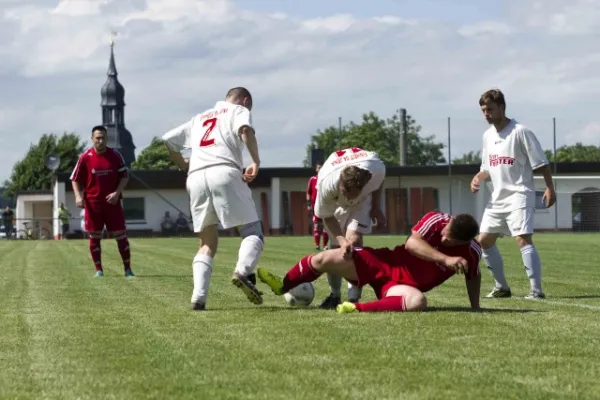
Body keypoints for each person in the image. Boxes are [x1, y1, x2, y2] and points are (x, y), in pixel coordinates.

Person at [162, 87, 264, 311]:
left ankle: (198, 298)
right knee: (252, 231)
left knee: (207, 242)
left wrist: (183, 165)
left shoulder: (200, 118)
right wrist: (255, 161)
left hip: (196, 178)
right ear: (245, 101)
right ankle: (243, 272)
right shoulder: (237, 110)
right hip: (224, 171)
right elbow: (245, 130)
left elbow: (168, 140)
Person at [257, 211, 482, 313]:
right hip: (382, 262)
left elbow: (474, 275)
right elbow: (412, 244)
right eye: (444, 232)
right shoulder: (436, 220)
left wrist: (475, 308)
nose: (442, 238)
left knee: (417, 302)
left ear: (464, 241)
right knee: (324, 257)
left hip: (399, 287)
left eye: (449, 241)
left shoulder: (471, 251)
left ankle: (354, 308)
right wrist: (446, 257)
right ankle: (282, 285)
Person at [471, 89, 556, 299]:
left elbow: (542, 163)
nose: (486, 114)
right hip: (497, 199)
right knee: (483, 241)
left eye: (489, 109)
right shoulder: (487, 136)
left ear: (501, 107)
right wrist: (478, 178)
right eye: (483, 110)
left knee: (522, 239)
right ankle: (502, 288)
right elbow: (487, 169)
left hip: (520, 194)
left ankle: (536, 291)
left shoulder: (520, 131)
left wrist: (549, 188)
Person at [314, 147, 386, 309]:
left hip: (361, 203)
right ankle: (335, 295)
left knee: (354, 241)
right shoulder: (327, 184)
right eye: (344, 191)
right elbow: (326, 215)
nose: (346, 196)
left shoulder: (376, 169)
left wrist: (376, 206)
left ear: (363, 186)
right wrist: (341, 240)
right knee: (336, 249)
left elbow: (379, 181)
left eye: (350, 193)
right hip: (335, 206)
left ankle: (353, 298)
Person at [70, 125, 134, 278]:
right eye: (97, 138)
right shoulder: (85, 157)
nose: (100, 140)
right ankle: (98, 270)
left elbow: (124, 176)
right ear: (92, 139)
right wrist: (78, 196)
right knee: (95, 235)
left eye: (103, 137)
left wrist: (116, 193)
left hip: (112, 203)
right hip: (93, 204)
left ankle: (128, 270)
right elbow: (75, 179)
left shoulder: (115, 156)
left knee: (120, 234)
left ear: (107, 138)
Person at [306, 162, 329, 250]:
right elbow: (308, 192)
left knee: (326, 226)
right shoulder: (312, 179)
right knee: (317, 225)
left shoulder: (327, 179)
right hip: (315, 206)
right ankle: (317, 245)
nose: (320, 169)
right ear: (316, 169)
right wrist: (308, 203)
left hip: (326, 205)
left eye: (322, 167)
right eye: (319, 167)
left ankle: (325, 245)